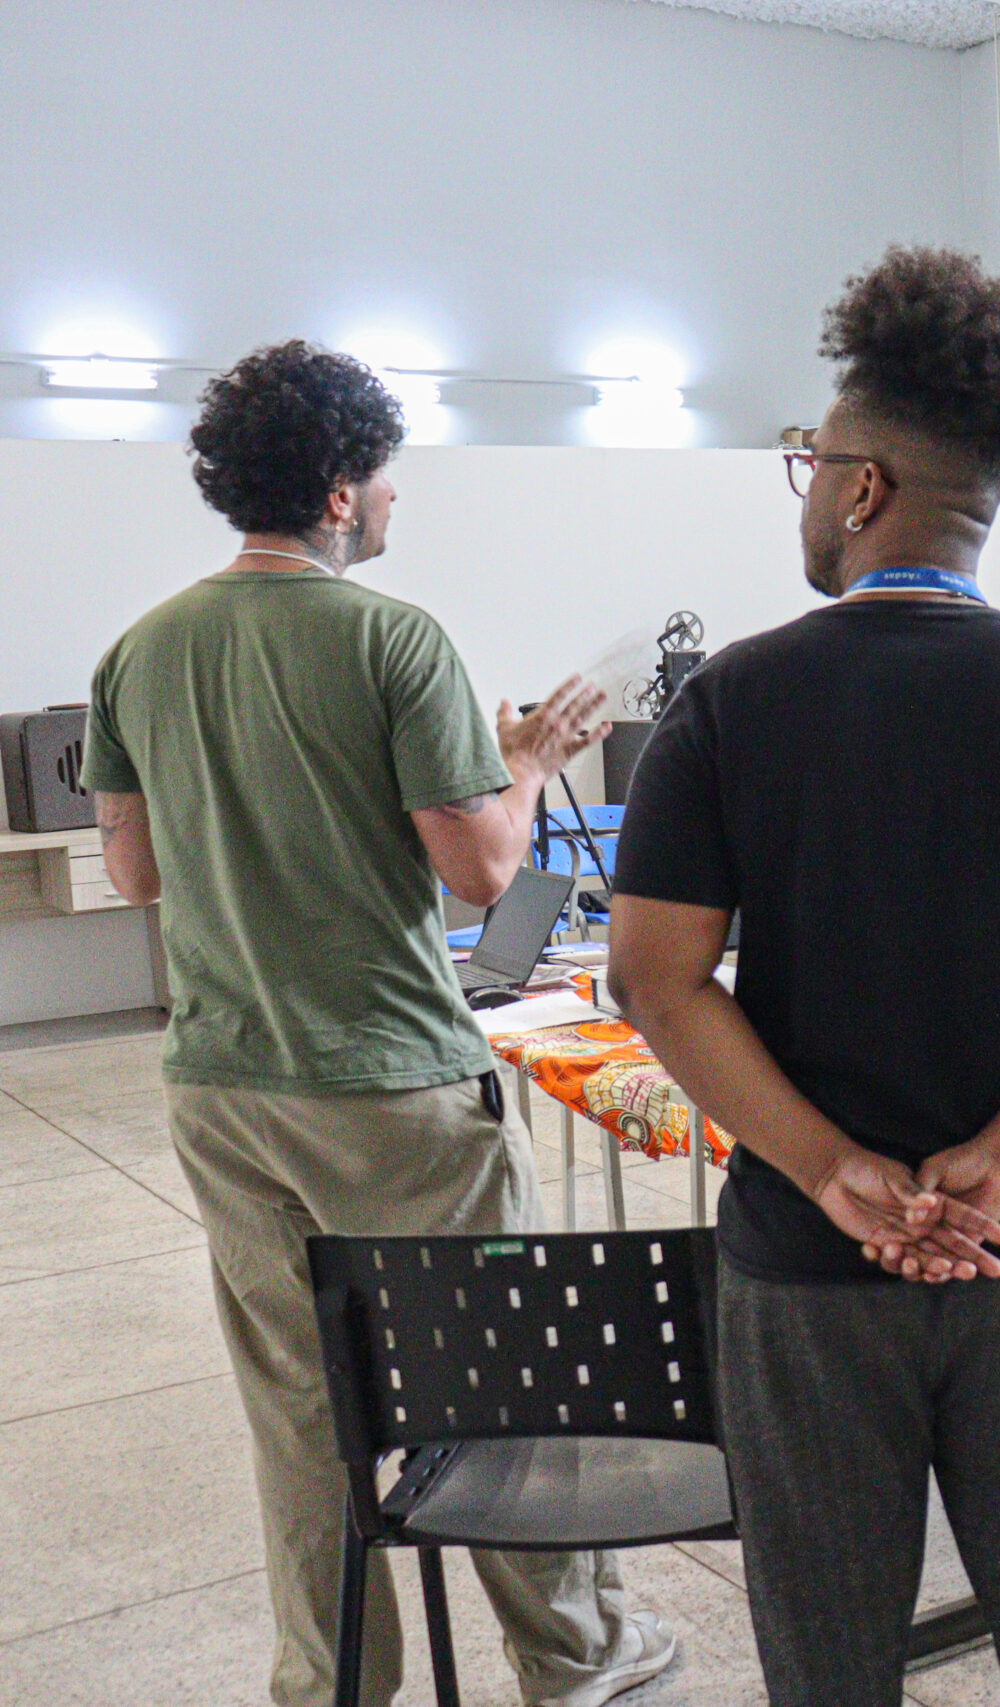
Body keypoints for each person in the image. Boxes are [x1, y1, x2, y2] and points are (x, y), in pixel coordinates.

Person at [607, 249, 1000, 1707]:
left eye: (811, 465)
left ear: (863, 487)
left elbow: (656, 979)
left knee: (827, 1649)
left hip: (810, 1268)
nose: (807, 493)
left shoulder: (729, 703)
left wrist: (833, 1172)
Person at [80, 341, 663, 1707]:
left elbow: (136, 872)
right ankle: (574, 1655)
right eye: (387, 473)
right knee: (502, 1370)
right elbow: (483, 869)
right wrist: (526, 761)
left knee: (298, 1402)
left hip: (224, 1086)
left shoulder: (138, 652)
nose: (397, 495)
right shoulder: (396, 641)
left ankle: (332, 1676)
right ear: (341, 491)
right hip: (396, 1088)